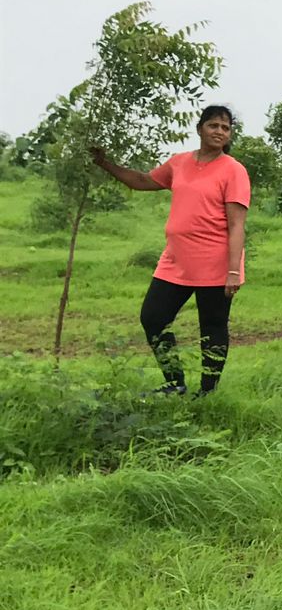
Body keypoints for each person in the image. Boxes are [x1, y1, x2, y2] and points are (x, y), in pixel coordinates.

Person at [92, 105, 252, 396]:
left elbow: (237, 224)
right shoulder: (179, 163)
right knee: (153, 317)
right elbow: (143, 181)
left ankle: (207, 391)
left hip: (215, 263)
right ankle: (174, 381)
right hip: (175, 260)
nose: (219, 132)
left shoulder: (234, 170)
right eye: (213, 125)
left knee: (212, 327)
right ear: (200, 128)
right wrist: (106, 164)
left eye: (225, 128)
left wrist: (233, 270)